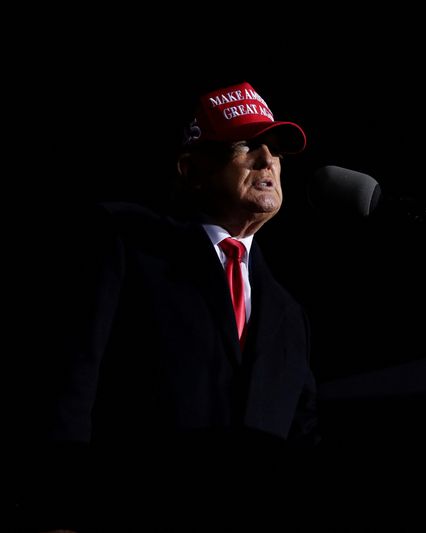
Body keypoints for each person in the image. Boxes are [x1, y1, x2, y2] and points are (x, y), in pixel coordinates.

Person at [16, 80, 320, 532]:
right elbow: (68, 383)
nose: (267, 160)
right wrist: (58, 509)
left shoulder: (288, 312)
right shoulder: (126, 242)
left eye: (274, 149)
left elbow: (303, 442)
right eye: (245, 146)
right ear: (191, 168)